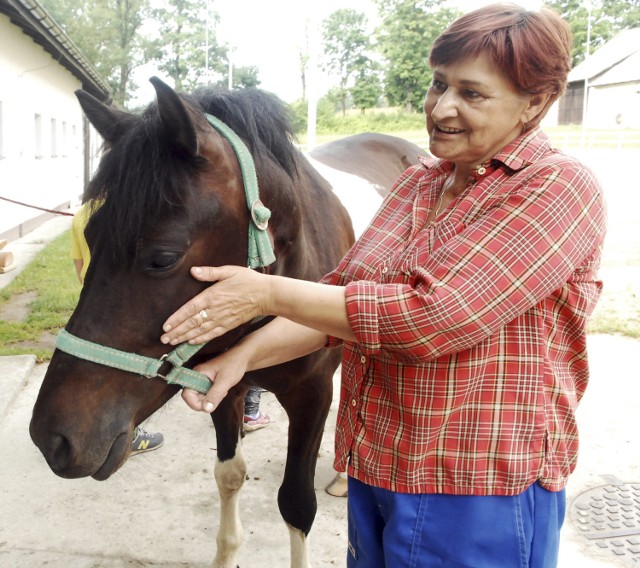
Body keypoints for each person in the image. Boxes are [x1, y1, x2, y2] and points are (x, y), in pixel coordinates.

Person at [159, 4, 607, 566]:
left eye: (472, 94)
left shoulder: (557, 188)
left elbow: (436, 316)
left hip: (478, 486)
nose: (441, 108)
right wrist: (243, 356)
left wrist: (263, 292)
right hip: (380, 466)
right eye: (438, 84)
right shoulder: (420, 183)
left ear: (536, 103)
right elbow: (338, 298)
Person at [70, 201, 164, 456]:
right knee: (124, 368)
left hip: (93, 300)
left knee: (87, 365)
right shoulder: (133, 210)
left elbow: (79, 265)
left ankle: (77, 421)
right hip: (121, 304)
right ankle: (130, 434)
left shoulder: (81, 214)